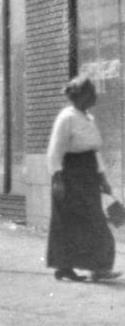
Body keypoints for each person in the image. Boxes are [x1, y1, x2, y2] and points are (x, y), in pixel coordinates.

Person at [46, 75, 121, 282]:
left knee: (93, 221)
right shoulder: (66, 117)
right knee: (71, 221)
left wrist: (103, 178)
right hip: (71, 175)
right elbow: (55, 151)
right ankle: (66, 267)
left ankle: (97, 267)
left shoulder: (88, 117)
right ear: (81, 96)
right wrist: (57, 177)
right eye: (92, 92)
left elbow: (94, 152)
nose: (95, 95)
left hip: (88, 175)